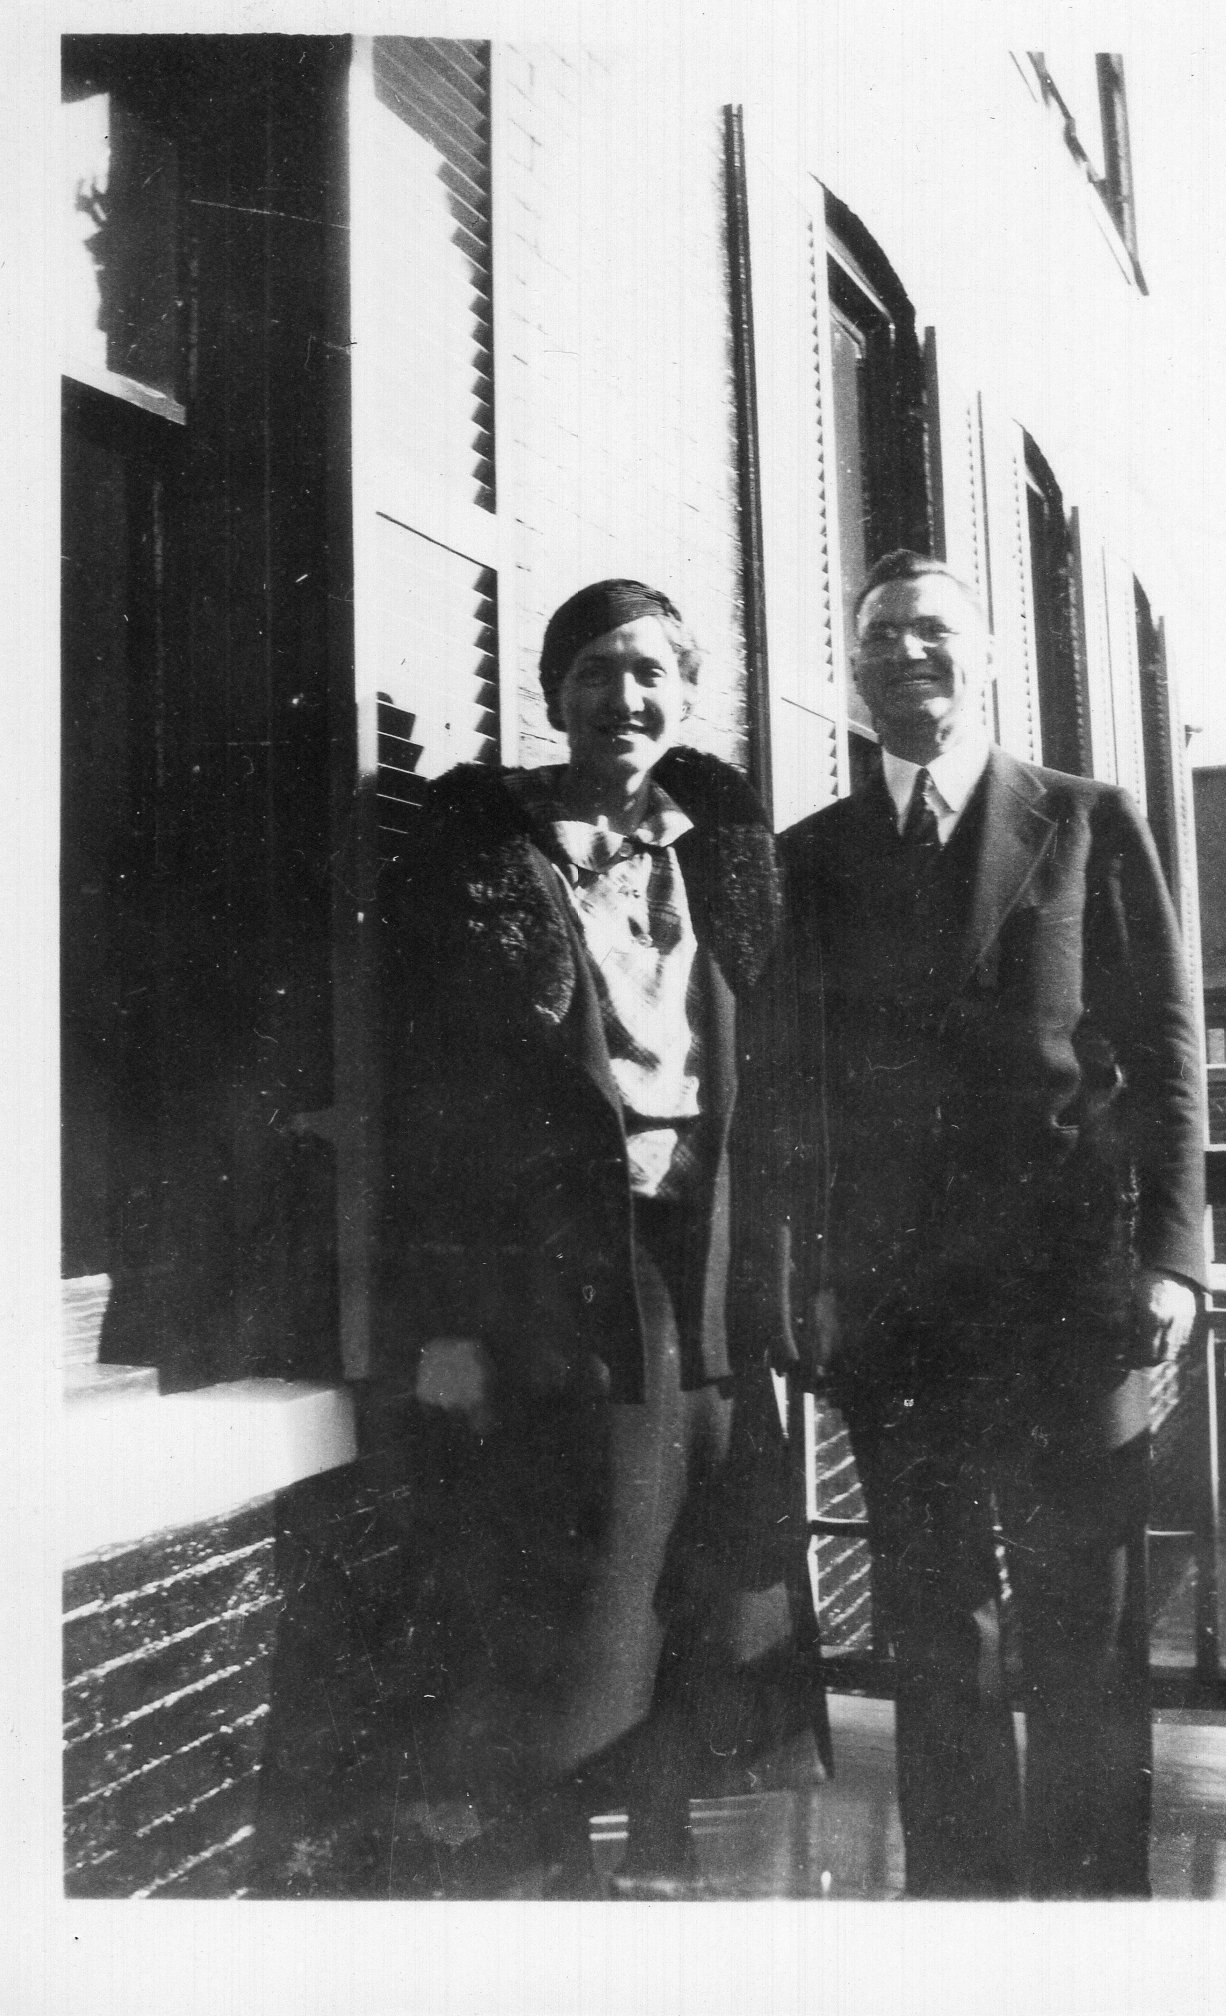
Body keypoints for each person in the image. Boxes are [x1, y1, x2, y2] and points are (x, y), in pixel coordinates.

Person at [774, 549, 1206, 1898]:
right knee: (937, 1629)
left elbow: (1168, 1052)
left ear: (990, 658)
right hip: (898, 1316)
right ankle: (963, 1917)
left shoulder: (1085, 820)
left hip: (1073, 1295)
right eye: (881, 638)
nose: (909, 655)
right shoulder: (813, 858)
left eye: (934, 632)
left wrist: (1173, 1258)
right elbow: (793, 1093)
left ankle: (1095, 1920)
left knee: (1087, 1623)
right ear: (854, 675)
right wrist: (809, 1282)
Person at [380, 579, 816, 1897]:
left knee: (704, 1557)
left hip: (708, 1251)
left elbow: (776, 1085)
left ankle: (667, 1842)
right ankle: (561, 1857)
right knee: (587, 1563)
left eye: (648, 674)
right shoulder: (491, 855)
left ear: (685, 696)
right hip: (563, 1263)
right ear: (552, 694)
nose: (621, 699)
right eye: (593, 673)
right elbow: (427, 1107)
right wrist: (443, 1320)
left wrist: (783, 1294)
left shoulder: (719, 857)